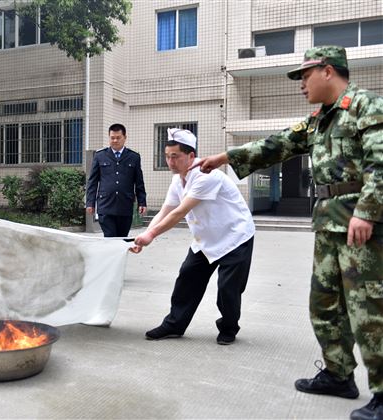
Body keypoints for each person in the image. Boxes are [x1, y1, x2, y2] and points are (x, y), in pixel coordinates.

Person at [192, 46, 382, 420]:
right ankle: (338, 374)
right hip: (328, 224)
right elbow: (277, 144)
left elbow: (382, 163)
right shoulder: (318, 119)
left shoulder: (366, 106)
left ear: (328, 71)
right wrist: (224, 157)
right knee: (323, 304)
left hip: (362, 227)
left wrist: (368, 211)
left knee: (370, 311)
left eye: (305, 76)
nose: (301, 85)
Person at [131, 129, 255, 345]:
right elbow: (165, 210)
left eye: (175, 156)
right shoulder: (178, 180)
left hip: (235, 237)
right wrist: (145, 234)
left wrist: (151, 234)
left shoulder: (207, 176)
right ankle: (174, 325)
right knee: (187, 278)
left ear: (191, 156)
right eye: (167, 156)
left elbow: (179, 212)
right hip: (206, 239)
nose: (170, 161)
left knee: (228, 288)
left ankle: (228, 328)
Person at [86, 123, 147, 237]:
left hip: (125, 205)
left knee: (122, 239)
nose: (115, 140)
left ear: (125, 138)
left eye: (118, 138)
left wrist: (142, 202)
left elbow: (139, 182)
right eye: (112, 138)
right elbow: (92, 182)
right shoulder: (100, 156)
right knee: (110, 237)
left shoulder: (134, 157)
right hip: (106, 206)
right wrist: (90, 202)